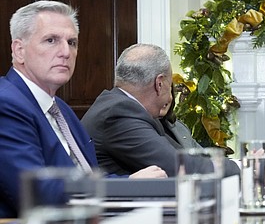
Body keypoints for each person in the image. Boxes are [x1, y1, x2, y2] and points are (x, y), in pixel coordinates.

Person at [0, 1, 165, 218]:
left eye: (72, 42)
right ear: (19, 51)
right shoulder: (6, 104)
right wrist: (126, 188)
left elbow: (87, 177)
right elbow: (39, 193)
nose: (65, 52)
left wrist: (133, 182)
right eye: (51, 40)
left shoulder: (62, 110)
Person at [82, 43, 240, 177]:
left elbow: (184, 155)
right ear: (160, 83)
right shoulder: (119, 113)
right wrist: (243, 167)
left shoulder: (122, 107)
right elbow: (179, 166)